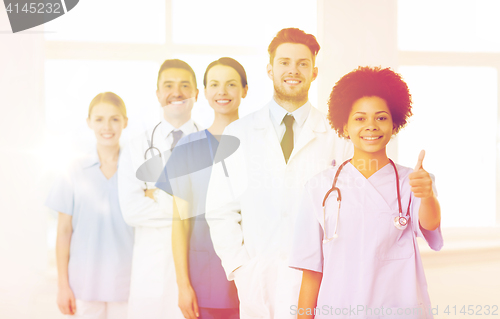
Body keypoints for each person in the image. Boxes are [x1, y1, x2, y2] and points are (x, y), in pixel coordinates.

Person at [204, 28, 352, 319]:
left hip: (318, 283)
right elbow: (220, 210)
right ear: (270, 69)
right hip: (258, 281)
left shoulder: (337, 137)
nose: (293, 70)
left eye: (302, 63)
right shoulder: (238, 133)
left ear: (314, 72)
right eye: (284, 62)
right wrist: (240, 269)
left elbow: (349, 212)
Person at [289, 66, 443, 319]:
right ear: (345, 126)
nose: (371, 126)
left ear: (395, 124)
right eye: (360, 118)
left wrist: (427, 195)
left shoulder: (413, 181)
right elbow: (311, 271)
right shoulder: (320, 187)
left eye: (381, 118)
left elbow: (430, 223)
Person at [156, 57, 247, 319]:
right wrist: (183, 285)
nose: (222, 91)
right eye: (215, 84)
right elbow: (180, 222)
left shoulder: (258, 144)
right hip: (205, 280)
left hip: (253, 277)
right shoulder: (187, 149)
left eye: (231, 84)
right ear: (204, 92)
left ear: (245, 90)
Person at [117, 59, 201, 319]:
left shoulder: (210, 144)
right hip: (151, 273)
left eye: (185, 85)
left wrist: (156, 195)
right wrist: (184, 206)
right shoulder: (136, 146)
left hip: (197, 268)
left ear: (196, 94)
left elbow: (211, 211)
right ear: (158, 94)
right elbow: (131, 211)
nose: (177, 92)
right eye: (169, 85)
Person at [45, 92, 134, 319]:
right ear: (89, 122)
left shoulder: (136, 170)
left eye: (115, 119)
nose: (107, 126)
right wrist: (62, 286)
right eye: (99, 119)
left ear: (125, 121)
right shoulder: (73, 170)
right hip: (83, 286)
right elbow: (64, 232)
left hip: (128, 284)